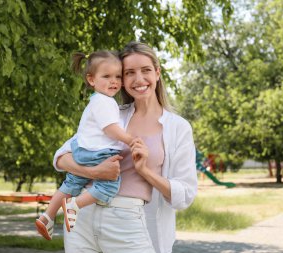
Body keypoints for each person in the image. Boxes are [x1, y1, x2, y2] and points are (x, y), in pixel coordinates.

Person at [53, 41, 198, 253]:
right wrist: (93, 172)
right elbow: (61, 157)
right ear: (122, 80)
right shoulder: (111, 114)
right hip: (83, 217)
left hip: (129, 221)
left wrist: (145, 172)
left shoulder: (178, 127)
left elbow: (184, 195)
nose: (138, 79)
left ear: (157, 73)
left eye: (146, 70)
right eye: (129, 73)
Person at [35, 50, 135, 240]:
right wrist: (130, 139)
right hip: (99, 154)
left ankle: (47, 216)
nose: (113, 81)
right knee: (108, 187)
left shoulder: (94, 102)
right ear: (91, 80)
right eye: (106, 76)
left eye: (117, 76)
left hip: (82, 152)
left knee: (71, 183)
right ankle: (75, 205)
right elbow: (111, 129)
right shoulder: (106, 102)